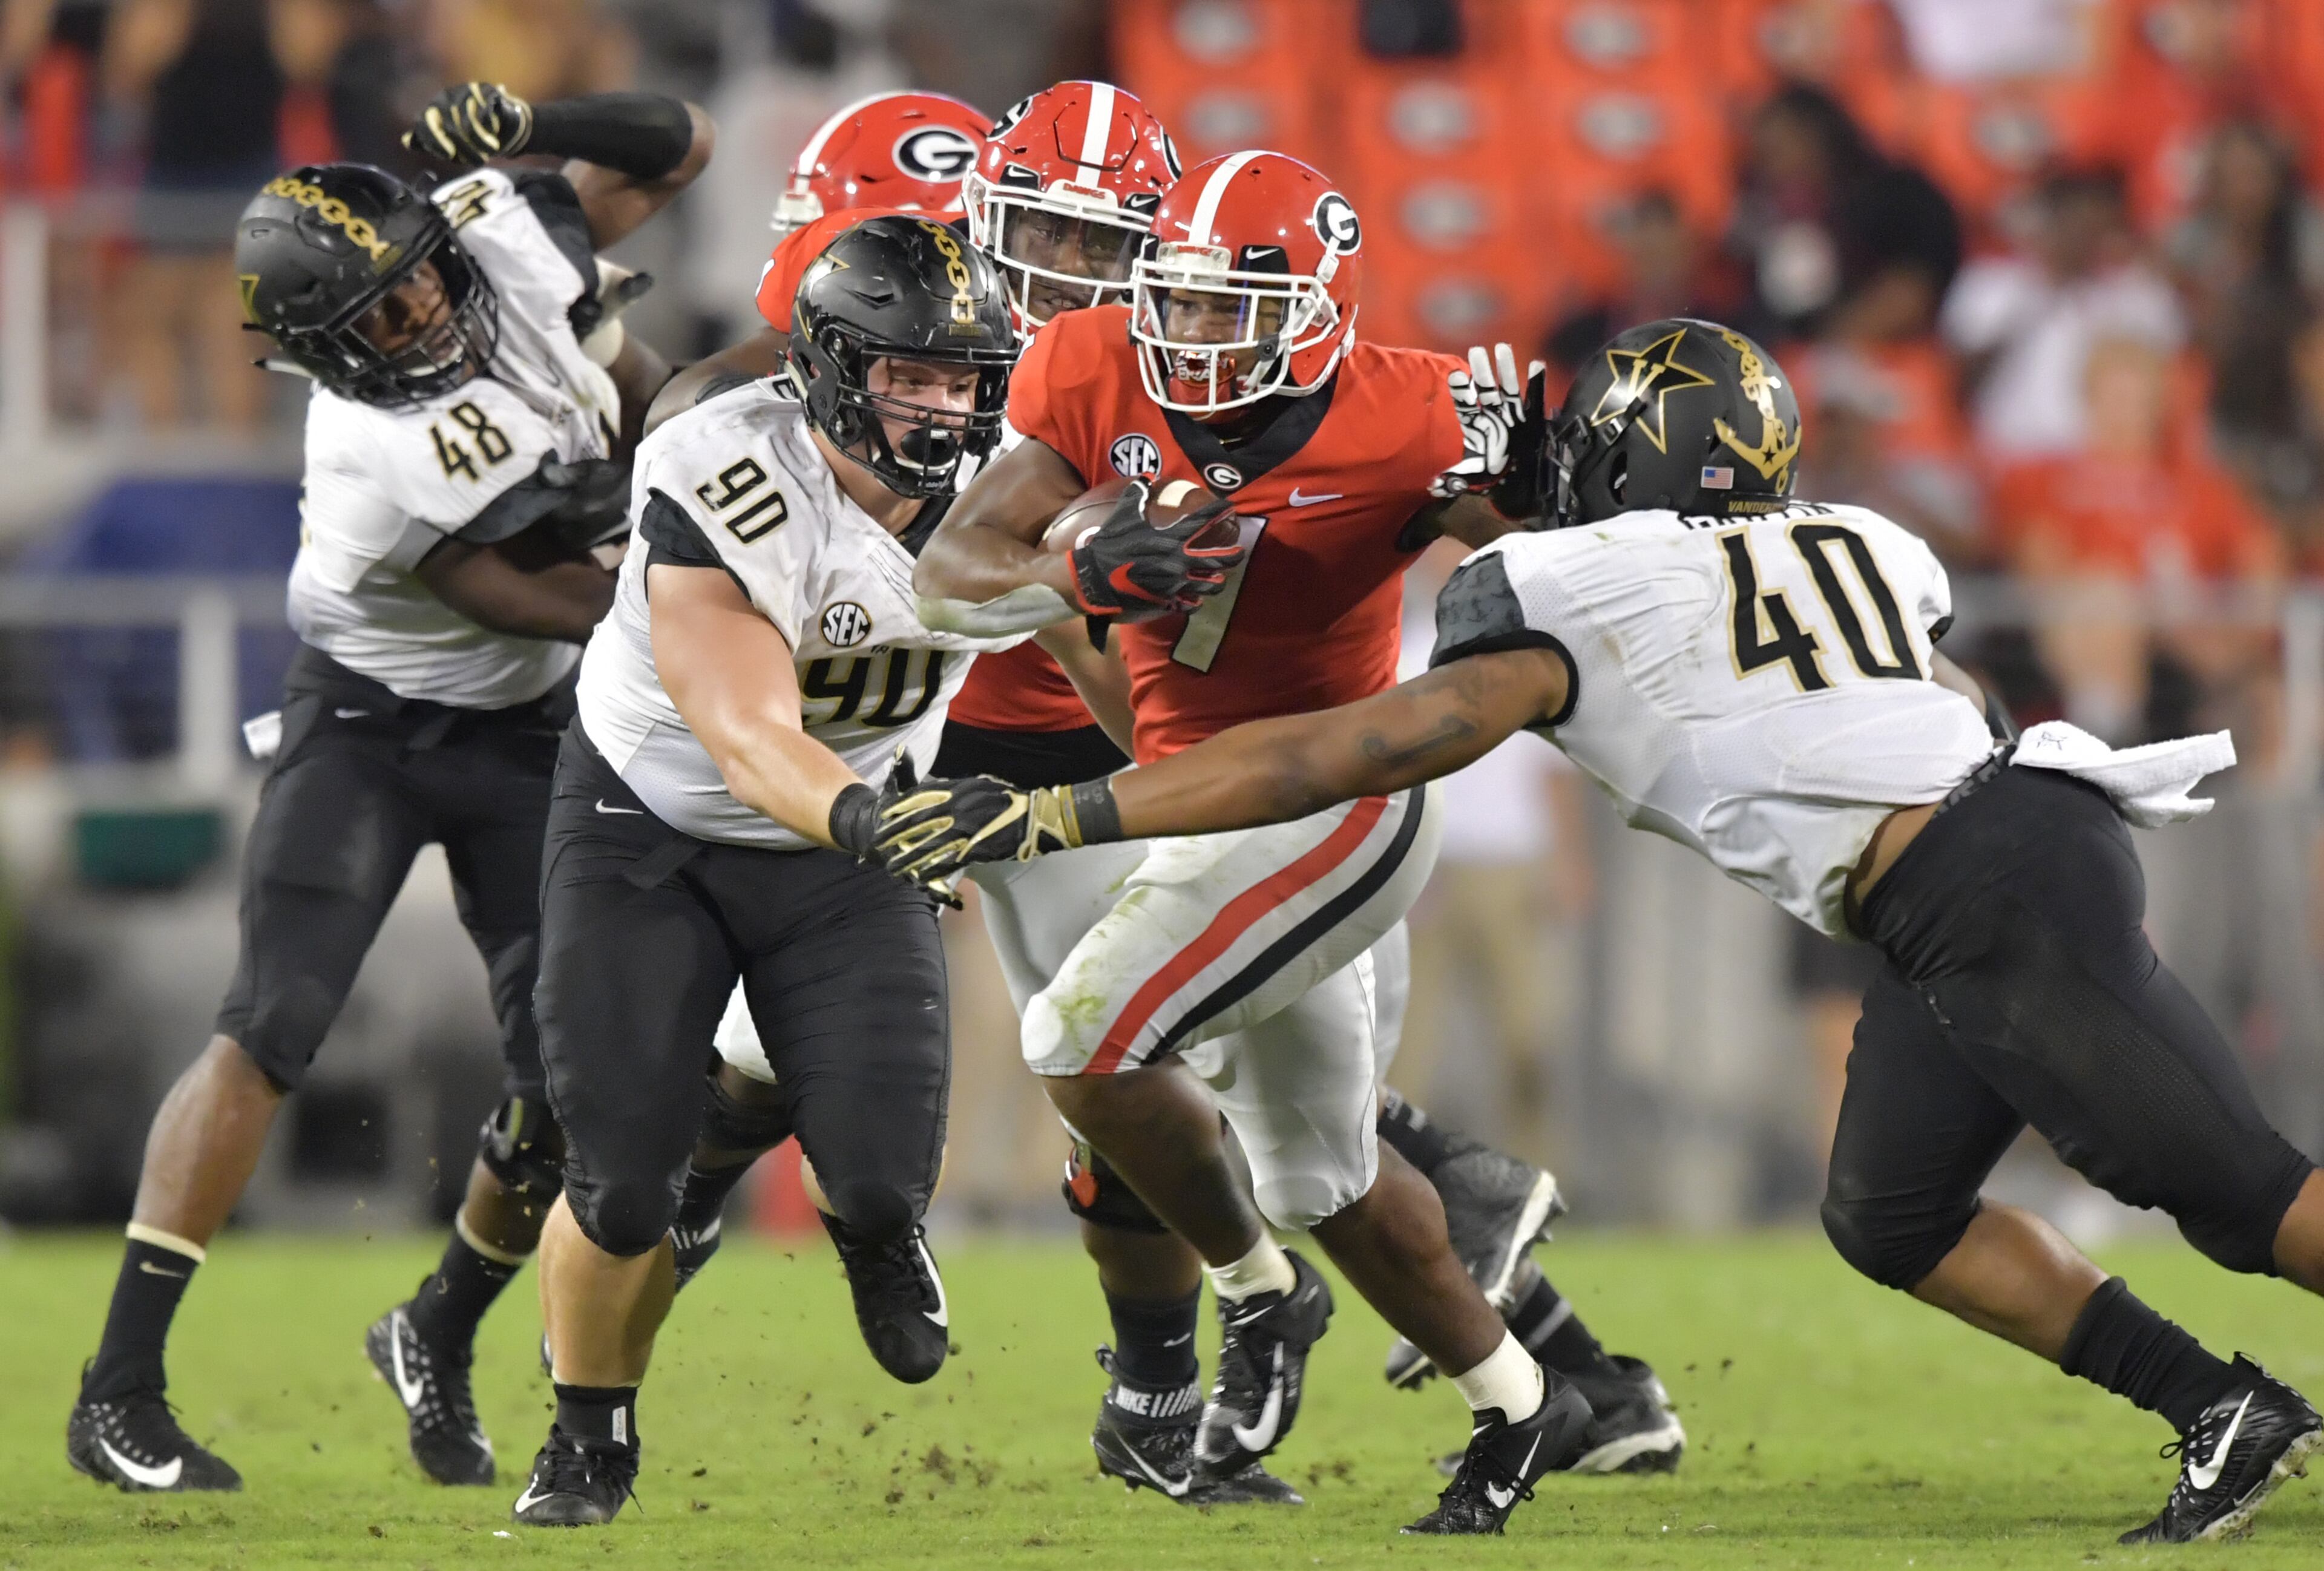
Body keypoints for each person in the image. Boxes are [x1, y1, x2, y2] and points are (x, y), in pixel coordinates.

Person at [879, 315, 2324, 1546]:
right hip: (1990, 854)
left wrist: (1064, 812)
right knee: (1893, 1214)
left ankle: (2229, 1404)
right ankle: (2223, 1403)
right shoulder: (1863, 537)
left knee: (2240, 1192)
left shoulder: (1564, 590)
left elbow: (1342, 754)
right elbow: (1959, 698)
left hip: (1981, 888)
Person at [900, 149, 1688, 1535]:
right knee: (1325, 1173)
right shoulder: (1087, 364)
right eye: (1179, 301)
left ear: (1320, 311)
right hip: (1199, 795)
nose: (1194, 335)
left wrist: (1550, 498)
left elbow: (1583, 582)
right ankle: (1529, 1397)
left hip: (1335, 802)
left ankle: (1257, 1291)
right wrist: (1069, 571)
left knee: (1080, 1035)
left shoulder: (1412, 412)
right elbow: (949, 575)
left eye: (1230, 309)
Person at [64, 83, 712, 1494]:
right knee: (272, 1023)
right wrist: (712, 588)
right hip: (371, 720)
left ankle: (436, 1328)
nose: (416, 319)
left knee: (569, 1076)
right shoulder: (372, 441)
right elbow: (531, 589)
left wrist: (531, 119)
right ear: (317, 355)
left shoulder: (501, 231)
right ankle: (117, 1389)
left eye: (415, 282)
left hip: (526, 727)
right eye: (374, 320)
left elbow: (680, 147)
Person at [512, 214, 1104, 1527]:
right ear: (832, 366)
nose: (941, 407)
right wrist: (881, 829)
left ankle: (876, 1231)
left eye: (963, 379)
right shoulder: (722, 465)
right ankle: (587, 1438)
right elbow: (747, 737)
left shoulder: (1013, 479)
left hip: (846, 837)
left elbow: (1110, 676)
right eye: (910, 374)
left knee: (886, 1173)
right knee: (621, 1182)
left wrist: (1131, 597)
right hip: (653, 827)